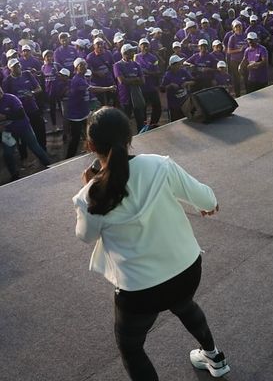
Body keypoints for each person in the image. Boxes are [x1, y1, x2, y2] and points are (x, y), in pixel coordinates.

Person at [72, 107, 230, 380]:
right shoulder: (160, 165)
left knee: (131, 348)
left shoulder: (89, 195)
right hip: (186, 268)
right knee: (184, 304)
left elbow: (86, 236)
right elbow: (206, 198)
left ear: (90, 146)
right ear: (129, 137)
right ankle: (214, 356)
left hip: (139, 291)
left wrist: (91, 187)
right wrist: (209, 205)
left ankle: (212, 355)